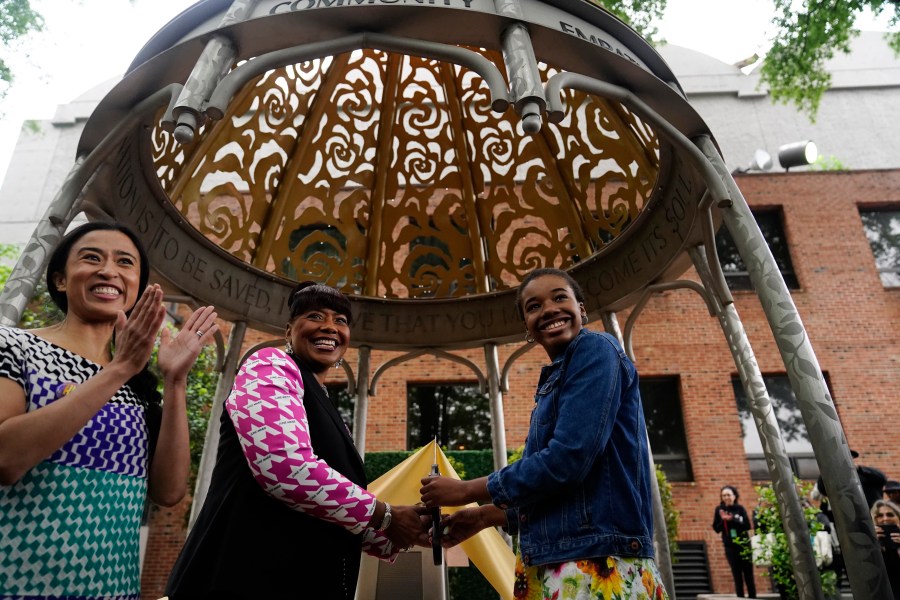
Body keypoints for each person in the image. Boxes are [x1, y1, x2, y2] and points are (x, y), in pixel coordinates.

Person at [166, 281, 430, 600]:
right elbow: (286, 468)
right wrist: (386, 516)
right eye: (316, 316)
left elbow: (329, 508)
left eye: (341, 320)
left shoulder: (323, 402)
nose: (329, 327)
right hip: (243, 581)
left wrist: (408, 530)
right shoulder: (270, 365)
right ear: (289, 330)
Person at [419, 267, 668, 600]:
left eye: (560, 297)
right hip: (558, 562)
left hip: (596, 564)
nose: (549, 309)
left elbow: (567, 460)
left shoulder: (596, 349)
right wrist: (483, 516)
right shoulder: (556, 378)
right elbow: (567, 494)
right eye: (533, 306)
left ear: (582, 309)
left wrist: (465, 490)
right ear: (527, 327)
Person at [0, 221, 218, 599]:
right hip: (18, 582)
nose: (109, 271)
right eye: (91, 258)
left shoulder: (137, 385)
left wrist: (175, 381)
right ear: (60, 280)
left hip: (113, 589)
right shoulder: (14, 346)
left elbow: (167, 492)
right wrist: (119, 370)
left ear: (136, 288)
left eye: (125, 262)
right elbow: (5, 459)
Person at [712, 485, 757, 598]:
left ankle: (752, 597)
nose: (726, 497)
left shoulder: (740, 509)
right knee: (737, 575)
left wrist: (733, 519)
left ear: (734, 496)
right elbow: (716, 528)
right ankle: (740, 597)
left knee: (748, 574)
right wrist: (723, 521)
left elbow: (747, 525)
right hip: (730, 546)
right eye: (724, 495)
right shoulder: (719, 510)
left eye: (728, 495)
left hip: (743, 545)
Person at [871, 499, 900, 600]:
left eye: (890, 515)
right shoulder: (869, 541)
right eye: (880, 516)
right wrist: (872, 544)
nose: (885, 519)